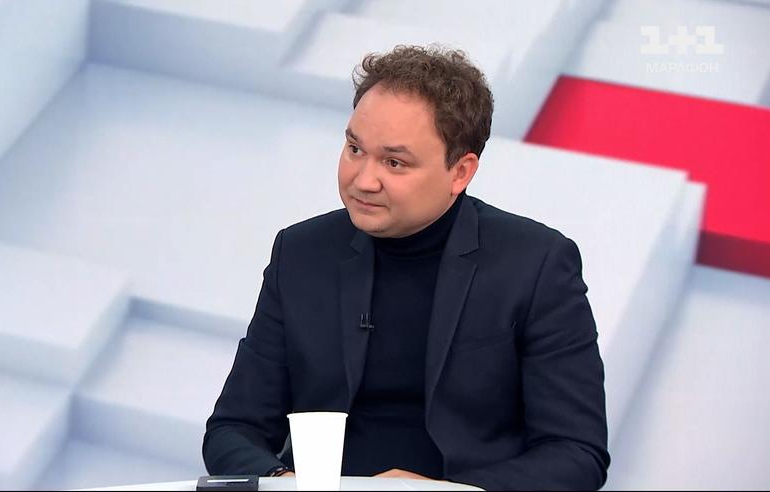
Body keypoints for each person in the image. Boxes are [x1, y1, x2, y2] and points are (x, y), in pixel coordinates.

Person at [203, 44, 609, 490]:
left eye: (394, 162)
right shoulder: (301, 252)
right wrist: (285, 481)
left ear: (460, 172)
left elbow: (576, 454)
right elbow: (232, 430)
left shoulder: (535, 264)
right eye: (354, 149)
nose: (363, 180)